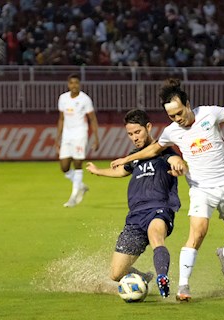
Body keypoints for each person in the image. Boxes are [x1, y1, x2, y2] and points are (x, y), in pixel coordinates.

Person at [111, 78, 224, 301]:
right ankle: (183, 287)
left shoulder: (209, 113)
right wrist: (128, 158)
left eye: (179, 113)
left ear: (187, 104)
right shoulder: (172, 131)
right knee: (197, 233)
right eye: (171, 116)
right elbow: (154, 149)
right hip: (201, 189)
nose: (177, 119)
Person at [86, 109, 186, 298]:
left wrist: (179, 164)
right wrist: (98, 171)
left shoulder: (162, 149)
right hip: (135, 216)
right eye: (130, 134)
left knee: (156, 236)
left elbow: (175, 159)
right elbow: (121, 171)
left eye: (137, 132)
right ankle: (144, 278)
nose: (134, 137)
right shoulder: (135, 155)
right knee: (116, 273)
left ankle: (162, 278)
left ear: (148, 127)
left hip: (158, 208)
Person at [55, 73, 99, 208]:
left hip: (80, 133)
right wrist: (58, 137)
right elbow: (61, 118)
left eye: (76, 83)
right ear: (68, 84)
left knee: (78, 163)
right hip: (67, 135)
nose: (74, 85)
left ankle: (73, 197)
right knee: (64, 167)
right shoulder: (63, 98)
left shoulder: (85, 99)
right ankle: (81, 185)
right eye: (71, 83)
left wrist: (96, 138)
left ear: (79, 84)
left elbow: (92, 119)